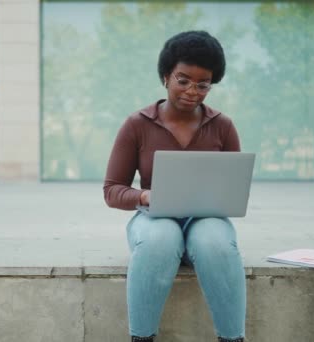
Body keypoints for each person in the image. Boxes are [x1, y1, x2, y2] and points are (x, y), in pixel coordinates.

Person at [103, 31, 246, 342]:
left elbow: (233, 184)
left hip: (205, 220)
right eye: (183, 80)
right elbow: (112, 190)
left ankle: (232, 338)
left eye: (203, 84)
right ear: (166, 76)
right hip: (154, 218)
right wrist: (144, 195)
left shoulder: (223, 126)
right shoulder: (136, 125)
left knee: (215, 243)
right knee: (160, 240)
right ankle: (141, 338)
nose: (192, 91)